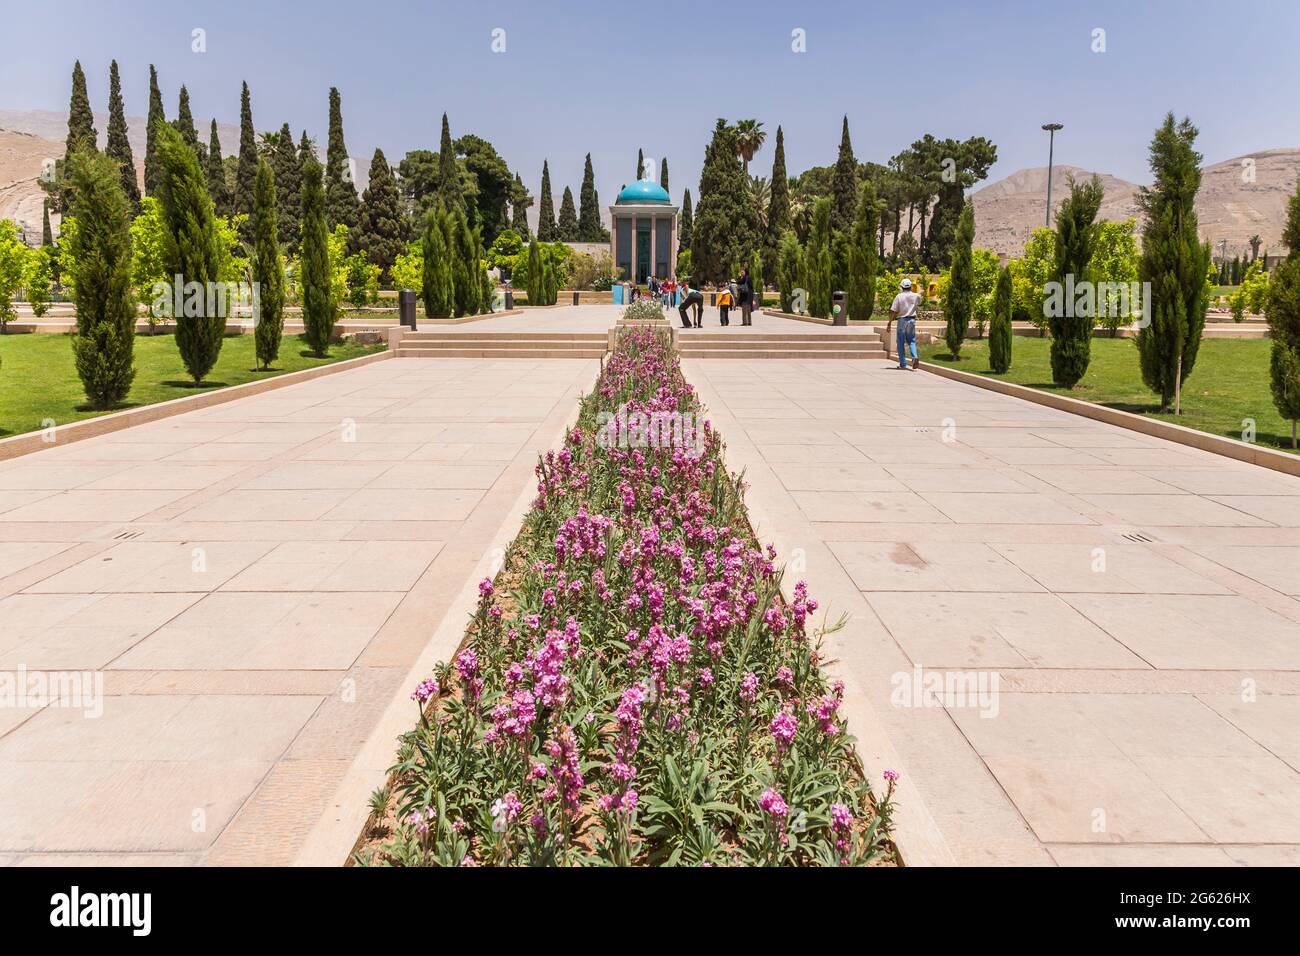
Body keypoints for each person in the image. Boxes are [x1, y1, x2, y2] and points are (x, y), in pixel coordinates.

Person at [888, 277, 921, 370]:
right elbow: (919, 302)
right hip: (912, 320)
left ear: (901, 287)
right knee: (911, 340)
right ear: (910, 286)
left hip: (902, 320)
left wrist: (889, 322)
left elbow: (894, 311)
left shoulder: (899, 296)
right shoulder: (916, 295)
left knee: (900, 342)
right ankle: (914, 357)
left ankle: (903, 364)